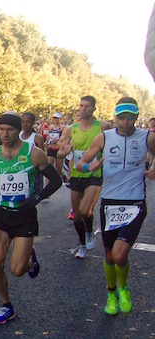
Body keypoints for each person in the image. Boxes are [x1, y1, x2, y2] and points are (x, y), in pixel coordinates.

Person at [0, 111, 61, 324]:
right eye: (1, 129)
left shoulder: (34, 153)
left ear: (19, 130)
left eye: (9, 129)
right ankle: (6, 306)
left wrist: (37, 197)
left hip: (25, 216)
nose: (4, 133)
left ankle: (30, 260)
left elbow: (56, 181)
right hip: (1, 215)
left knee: (17, 270)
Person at [73, 98, 154, 316]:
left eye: (130, 117)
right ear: (115, 117)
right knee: (109, 255)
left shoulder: (148, 137)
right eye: (121, 117)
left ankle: (123, 287)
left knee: (119, 255)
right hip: (109, 202)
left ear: (137, 117)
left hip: (135, 202)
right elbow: (80, 164)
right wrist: (93, 165)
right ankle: (111, 293)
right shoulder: (104, 138)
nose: (126, 122)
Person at [57, 96, 111, 259]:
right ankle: (82, 243)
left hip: (94, 175)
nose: (83, 109)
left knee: (85, 210)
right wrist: (63, 152)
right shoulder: (70, 129)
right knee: (77, 215)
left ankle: (89, 230)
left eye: (87, 106)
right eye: (81, 105)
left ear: (94, 108)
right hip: (77, 175)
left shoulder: (102, 126)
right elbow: (60, 151)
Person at [44, 113, 65, 180]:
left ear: (60, 119)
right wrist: (47, 142)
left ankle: (63, 175)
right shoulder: (50, 127)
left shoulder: (63, 128)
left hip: (59, 149)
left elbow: (65, 138)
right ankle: (49, 182)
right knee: (49, 166)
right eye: (54, 118)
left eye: (57, 118)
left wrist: (58, 141)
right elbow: (47, 136)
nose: (55, 120)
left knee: (59, 169)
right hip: (51, 148)